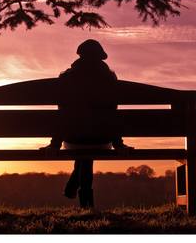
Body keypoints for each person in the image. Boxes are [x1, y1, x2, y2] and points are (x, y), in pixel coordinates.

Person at [41, 39, 133, 208]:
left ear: (79, 56)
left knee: (82, 147)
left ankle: (80, 196)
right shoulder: (109, 79)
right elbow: (112, 116)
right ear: (101, 58)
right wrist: (119, 144)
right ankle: (85, 200)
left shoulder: (66, 79)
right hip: (102, 139)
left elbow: (63, 116)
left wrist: (54, 144)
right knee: (89, 147)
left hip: (73, 138)